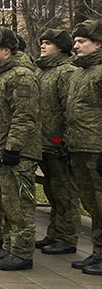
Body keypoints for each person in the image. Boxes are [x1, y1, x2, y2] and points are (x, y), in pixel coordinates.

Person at [0, 28, 41, 271]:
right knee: (2, 201)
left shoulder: (21, 76)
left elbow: (24, 116)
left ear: (7, 50)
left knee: (18, 205)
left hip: (16, 153)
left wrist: (13, 147)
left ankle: (23, 252)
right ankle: (8, 245)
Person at [33, 29, 80, 257]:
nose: (42, 46)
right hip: (43, 142)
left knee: (65, 193)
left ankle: (67, 237)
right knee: (52, 191)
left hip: (58, 142)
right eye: (42, 43)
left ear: (60, 47)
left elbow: (68, 109)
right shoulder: (42, 72)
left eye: (48, 43)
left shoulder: (66, 72)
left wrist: (64, 141)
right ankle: (54, 233)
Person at [65, 20, 102, 275]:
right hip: (79, 146)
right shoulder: (80, 72)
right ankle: (98, 252)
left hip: (96, 149)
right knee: (92, 204)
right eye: (75, 41)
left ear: (98, 43)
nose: (76, 46)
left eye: (82, 42)